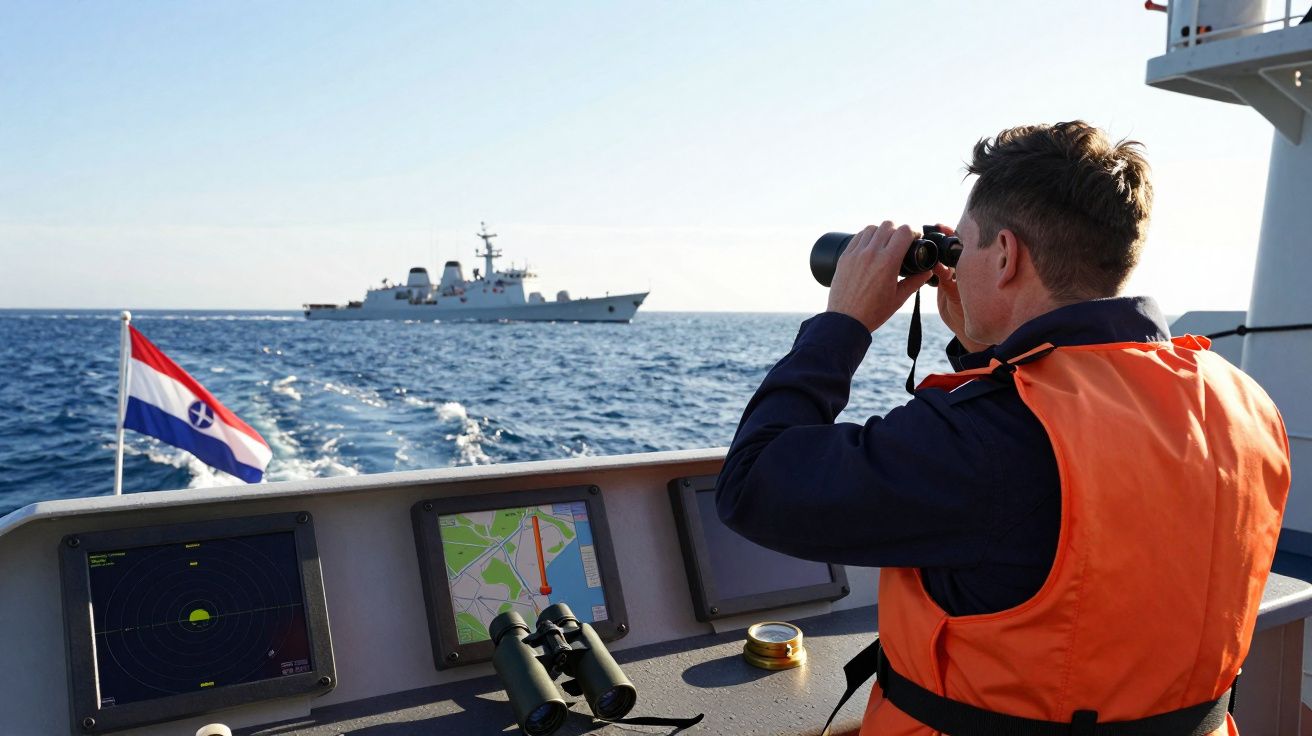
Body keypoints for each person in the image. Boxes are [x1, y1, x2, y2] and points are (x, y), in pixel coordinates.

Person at [715, 121, 1290, 736]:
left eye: (963, 249)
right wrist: (982, 348)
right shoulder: (1242, 402)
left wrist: (844, 324)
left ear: (1008, 255)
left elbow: (753, 483)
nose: (955, 268)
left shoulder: (987, 440)